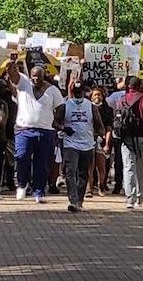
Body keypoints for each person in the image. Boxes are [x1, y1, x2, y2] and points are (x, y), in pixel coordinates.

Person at [5, 60, 65, 204]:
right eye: (33, 76)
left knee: (42, 163)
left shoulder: (52, 90)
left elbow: (61, 106)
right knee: (22, 157)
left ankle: (39, 191)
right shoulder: (24, 84)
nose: (36, 79)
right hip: (24, 130)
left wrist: (57, 121)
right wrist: (10, 68)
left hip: (46, 131)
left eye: (39, 76)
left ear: (44, 76)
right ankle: (22, 184)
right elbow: (14, 77)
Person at [55, 81, 104, 212]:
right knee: (71, 171)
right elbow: (55, 122)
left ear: (84, 92)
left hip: (87, 144)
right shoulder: (65, 106)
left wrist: (99, 136)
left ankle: (79, 200)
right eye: (75, 92)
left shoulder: (91, 106)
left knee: (83, 173)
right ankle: (73, 200)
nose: (78, 95)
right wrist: (64, 128)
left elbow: (99, 124)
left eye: (80, 92)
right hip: (70, 143)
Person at [116, 77, 143, 209]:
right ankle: (140, 198)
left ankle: (130, 199)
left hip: (126, 139)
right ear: (140, 86)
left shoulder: (122, 100)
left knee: (128, 168)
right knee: (141, 168)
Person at [87, 86, 113, 197]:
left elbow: (108, 128)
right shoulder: (87, 109)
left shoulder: (107, 110)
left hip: (101, 141)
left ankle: (101, 186)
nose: (97, 97)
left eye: (99, 94)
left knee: (101, 166)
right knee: (89, 166)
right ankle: (89, 189)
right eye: (95, 95)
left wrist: (107, 143)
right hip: (89, 139)